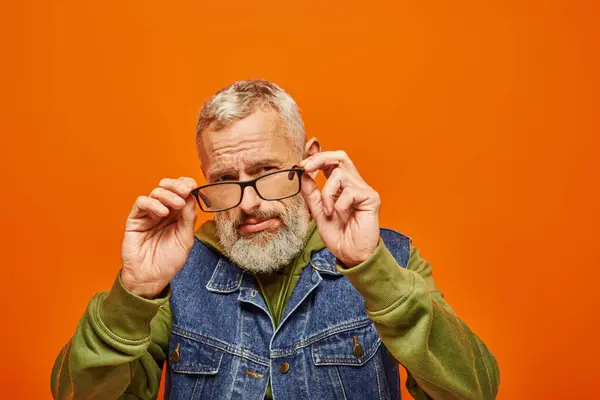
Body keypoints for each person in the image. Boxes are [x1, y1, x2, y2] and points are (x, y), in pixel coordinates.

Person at [50, 79, 499, 400]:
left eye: (267, 173)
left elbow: (474, 390)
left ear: (309, 161)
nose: (248, 204)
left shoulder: (390, 257)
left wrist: (372, 267)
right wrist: (135, 291)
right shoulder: (173, 273)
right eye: (225, 179)